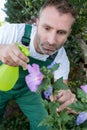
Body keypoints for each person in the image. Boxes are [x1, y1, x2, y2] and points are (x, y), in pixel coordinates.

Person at [0, 0, 77, 129]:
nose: (51, 41)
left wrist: (65, 96)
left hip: (28, 91)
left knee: (46, 125)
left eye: (61, 32)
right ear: (37, 23)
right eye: (47, 28)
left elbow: (61, 87)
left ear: (68, 33)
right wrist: (1, 49)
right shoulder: (11, 32)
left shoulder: (60, 58)